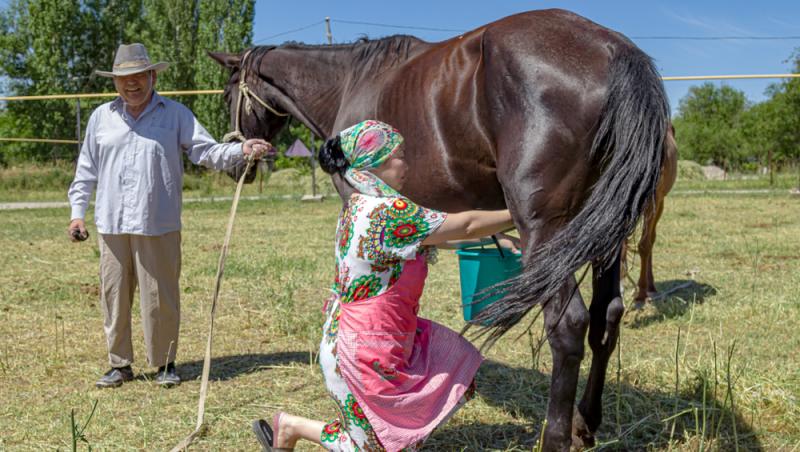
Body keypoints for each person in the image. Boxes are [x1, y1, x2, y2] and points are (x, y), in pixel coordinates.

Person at [252, 120, 518, 451]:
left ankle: (289, 427)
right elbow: (464, 224)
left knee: (399, 425)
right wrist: (522, 212)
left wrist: (495, 238)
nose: (407, 164)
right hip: (358, 350)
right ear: (374, 163)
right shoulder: (387, 212)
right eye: (400, 156)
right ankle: (290, 427)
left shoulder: (361, 206)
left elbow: (433, 238)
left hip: (378, 339)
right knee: (372, 447)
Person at [67, 43, 272, 388]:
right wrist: (77, 214)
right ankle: (120, 365)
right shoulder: (101, 118)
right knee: (113, 295)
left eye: (138, 77)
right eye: (123, 79)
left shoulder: (176, 114)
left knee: (160, 296)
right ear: (115, 82)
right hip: (112, 222)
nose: (131, 84)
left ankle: (164, 364)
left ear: (152, 76)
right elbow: (86, 169)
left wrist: (241, 149)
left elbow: (205, 151)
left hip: (158, 222)